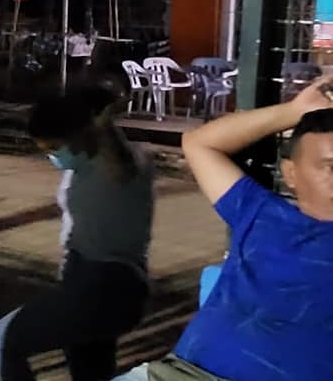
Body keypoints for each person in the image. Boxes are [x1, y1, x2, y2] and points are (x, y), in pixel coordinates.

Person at [114, 78, 333, 381]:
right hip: (177, 374)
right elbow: (198, 143)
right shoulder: (260, 212)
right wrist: (294, 111)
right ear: (291, 174)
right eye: (330, 167)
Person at [0, 87, 154, 381]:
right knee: (89, 371)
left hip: (106, 283)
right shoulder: (82, 167)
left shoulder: (123, 167)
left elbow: (121, 167)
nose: (52, 156)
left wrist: (103, 124)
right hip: (86, 280)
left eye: (54, 147)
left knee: (2, 340)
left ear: (81, 134)